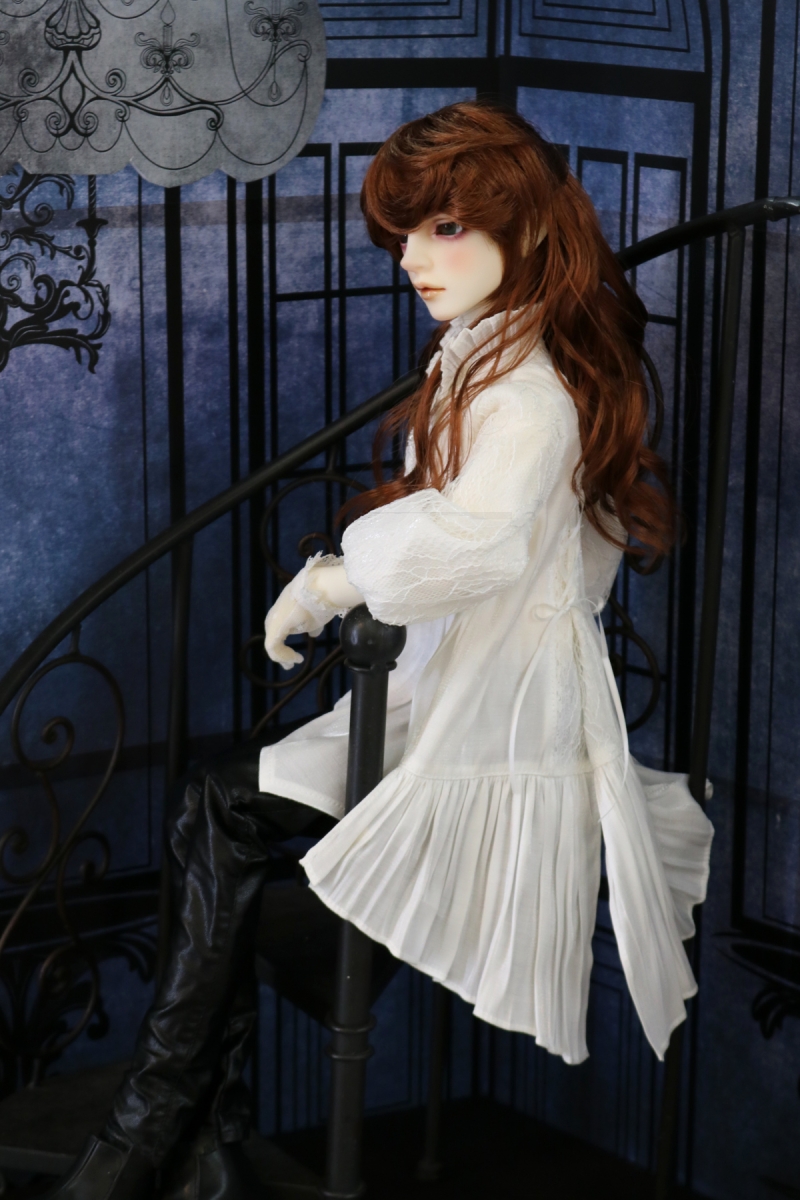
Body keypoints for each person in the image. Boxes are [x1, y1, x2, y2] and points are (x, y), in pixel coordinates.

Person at [47, 100, 713, 1200]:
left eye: (445, 228)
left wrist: (329, 581)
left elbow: (479, 540)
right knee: (217, 806)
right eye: (405, 234)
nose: (413, 258)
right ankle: (187, 1137)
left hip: (496, 712)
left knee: (224, 813)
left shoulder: (528, 395)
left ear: (525, 230)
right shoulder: (483, 359)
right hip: (449, 685)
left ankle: (157, 1131)